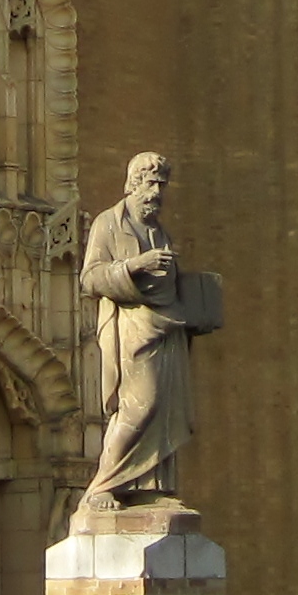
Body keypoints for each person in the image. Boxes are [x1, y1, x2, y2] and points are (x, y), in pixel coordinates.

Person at [81, 150, 218, 514]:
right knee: (141, 405)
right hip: (134, 328)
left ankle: (147, 488)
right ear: (134, 182)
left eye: (162, 185)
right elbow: (91, 277)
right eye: (151, 183)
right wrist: (134, 265)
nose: (157, 193)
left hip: (168, 328)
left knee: (166, 410)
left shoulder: (158, 229)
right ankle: (102, 486)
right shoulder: (109, 223)